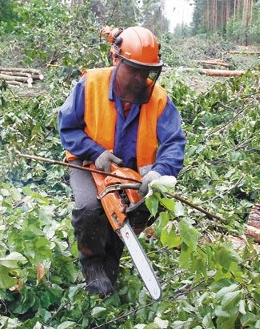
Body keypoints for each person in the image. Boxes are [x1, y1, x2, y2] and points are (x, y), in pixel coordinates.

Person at [57, 26, 186, 297]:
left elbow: (174, 142)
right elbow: (67, 127)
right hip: (87, 163)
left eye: (147, 71)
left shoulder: (159, 99)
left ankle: (111, 262)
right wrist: (94, 151)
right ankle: (92, 265)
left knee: (137, 210)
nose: (141, 78)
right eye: (135, 70)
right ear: (117, 60)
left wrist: (159, 172)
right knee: (91, 208)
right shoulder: (90, 84)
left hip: (129, 171)